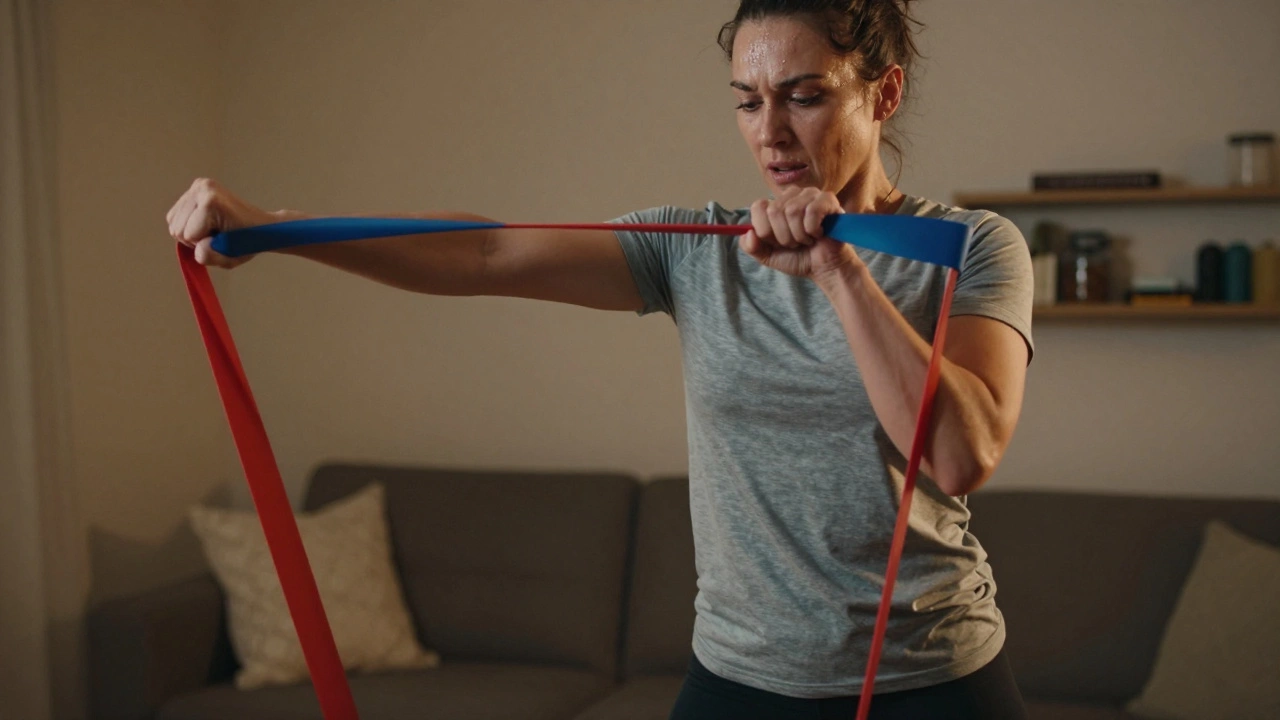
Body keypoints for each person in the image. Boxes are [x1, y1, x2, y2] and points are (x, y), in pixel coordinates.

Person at [166, 1, 1032, 717]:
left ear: (884, 93)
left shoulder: (972, 248)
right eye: (746, 101)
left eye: (803, 96)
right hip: (739, 676)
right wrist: (276, 229)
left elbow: (961, 454)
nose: (770, 132)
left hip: (931, 678)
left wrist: (840, 273)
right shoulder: (697, 248)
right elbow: (488, 253)